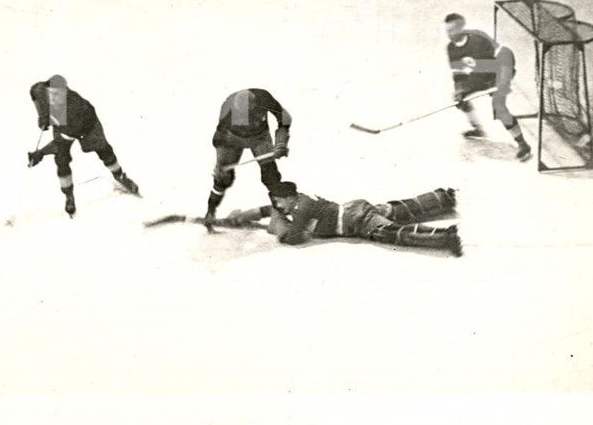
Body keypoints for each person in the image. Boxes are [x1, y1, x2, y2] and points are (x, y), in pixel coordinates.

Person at [225, 181, 463, 257]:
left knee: (391, 232)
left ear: (289, 197)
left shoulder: (300, 208)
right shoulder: (299, 202)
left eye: (279, 201)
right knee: (398, 209)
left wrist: (278, 226)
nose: (277, 205)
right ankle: (442, 198)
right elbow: (266, 210)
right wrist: (242, 216)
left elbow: (294, 237)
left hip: (356, 221)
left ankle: (446, 237)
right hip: (355, 210)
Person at [27, 75, 139, 218]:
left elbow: (60, 143)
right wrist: (42, 115)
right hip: (64, 124)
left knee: (103, 150)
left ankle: (120, 177)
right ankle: (69, 195)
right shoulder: (41, 90)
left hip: (87, 124)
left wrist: (41, 153)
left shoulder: (71, 110)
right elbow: (34, 91)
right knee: (61, 160)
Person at [445, 13, 531, 161]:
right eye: (447, 31)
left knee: (499, 106)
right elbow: (458, 74)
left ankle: (522, 144)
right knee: (459, 99)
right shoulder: (451, 48)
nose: (449, 35)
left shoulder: (478, 39)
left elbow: (503, 57)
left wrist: (504, 80)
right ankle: (477, 129)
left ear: (461, 28)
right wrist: (460, 90)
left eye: (452, 30)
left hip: (496, 75)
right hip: (479, 76)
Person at [205, 88, 292, 230]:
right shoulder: (227, 109)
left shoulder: (264, 98)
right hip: (232, 137)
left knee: (270, 175)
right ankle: (210, 212)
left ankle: (279, 214)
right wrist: (220, 166)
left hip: (259, 136)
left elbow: (284, 119)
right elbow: (219, 139)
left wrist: (281, 143)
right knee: (223, 178)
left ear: (255, 105)